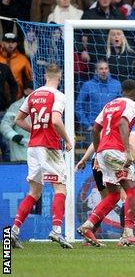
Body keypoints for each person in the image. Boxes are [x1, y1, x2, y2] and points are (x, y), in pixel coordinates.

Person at [76, 79, 135, 247]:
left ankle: (88, 225)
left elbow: (95, 128)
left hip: (102, 153)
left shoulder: (109, 105)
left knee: (114, 195)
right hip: (117, 151)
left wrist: (98, 149)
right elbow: (123, 123)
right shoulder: (131, 105)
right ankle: (128, 234)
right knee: (133, 192)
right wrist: (126, 151)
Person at [9, 64, 74, 249]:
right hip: (49, 147)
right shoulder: (58, 96)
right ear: (59, 77)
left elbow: (18, 120)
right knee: (60, 189)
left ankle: (14, 230)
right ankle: (56, 230)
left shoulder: (33, 95)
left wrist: (35, 130)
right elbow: (55, 120)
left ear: (45, 76)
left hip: (33, 148)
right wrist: (68, 140)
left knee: (34, 192)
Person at [75, 61, 121, 131]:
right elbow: (78, 105)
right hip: (93, 126)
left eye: (106, 68)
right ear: (96, 71)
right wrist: (87, 125)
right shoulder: (88, 85)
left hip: (111, 127)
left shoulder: (116, 84)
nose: (104, 71)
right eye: (101, 69)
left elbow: (120, 106)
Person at [0, 82, 32, 161]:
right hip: (21, 156)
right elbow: (4, 125)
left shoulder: (45, 105)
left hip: (41, 155)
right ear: (25, 91)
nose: (35, 91)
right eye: (32, 88)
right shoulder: (16, 106)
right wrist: (14, 136)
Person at [0, 33, 32, 100]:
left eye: (13, 42)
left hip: (17, 98)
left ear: (16, 44)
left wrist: (27, 88)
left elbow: (29, 78)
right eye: (7, 42)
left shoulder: (23, 59)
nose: (10, 45)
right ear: (2, 43)